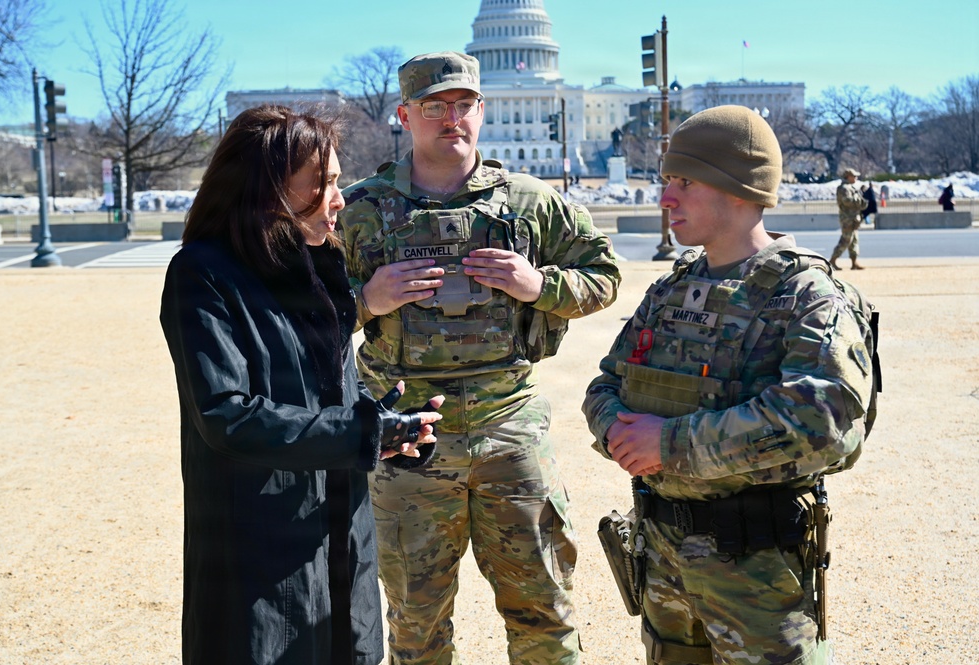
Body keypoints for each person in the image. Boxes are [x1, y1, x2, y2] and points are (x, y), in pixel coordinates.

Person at [339, 51, 621, 664]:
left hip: (509, 427)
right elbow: (307, 316)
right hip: (407, 437)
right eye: (435, 107)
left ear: (481, 111)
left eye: (463, 105)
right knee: (416, 621)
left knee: (544, 609)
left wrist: (535, 285)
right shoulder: (359, 209)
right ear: (404, 115)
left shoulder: (528, 203)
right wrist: (366, 299)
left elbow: (603, 276)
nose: (452, 119)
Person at [583, 105, 874, 665]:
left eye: (684, 182)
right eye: (667, 180)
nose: (666, 197)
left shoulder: (806, 295)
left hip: (757, 572)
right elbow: (605, 386)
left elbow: (823, 426)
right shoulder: (674, 289)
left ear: (740, 189)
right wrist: (620, 434)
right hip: (664, 559)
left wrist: (666, 444)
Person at [159, 105, 442, 665]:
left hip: (342, 535)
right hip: (259, 546)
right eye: (325, 183)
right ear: (270, 188)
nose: (340, 198)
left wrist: (387, 429)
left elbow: (329, 394)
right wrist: (361, 431)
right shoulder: (202, 273)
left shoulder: (319, 263)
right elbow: (226, 415)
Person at [829, 167, 869, 270]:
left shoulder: (851, 188)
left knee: (854, 240)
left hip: (854, 218)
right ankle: (833, 260)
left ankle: (854, 262)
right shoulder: (844, 188)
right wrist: (859, 199)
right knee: (846, 240)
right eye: (854, 176)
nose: (856, 178)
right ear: (848, 177)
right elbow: (847, 201)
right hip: (847, 219)